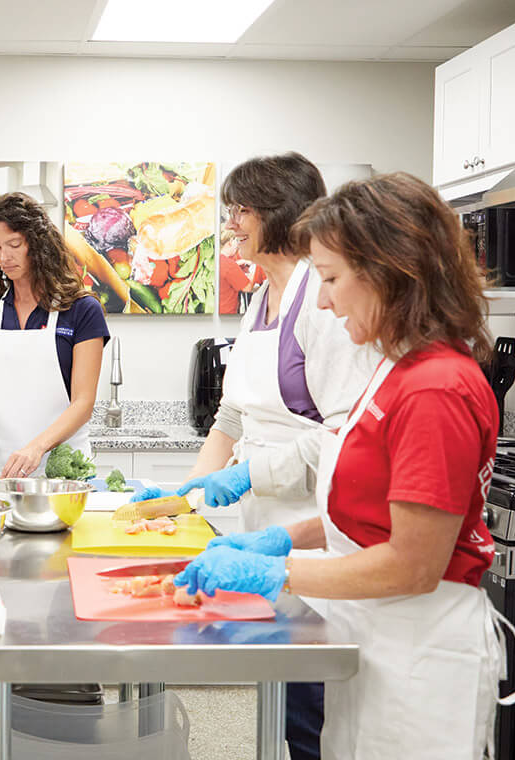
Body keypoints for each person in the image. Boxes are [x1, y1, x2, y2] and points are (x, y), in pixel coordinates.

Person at [174, 172, 515, 759]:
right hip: (375, 637)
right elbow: (368, 510)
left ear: (391, 271)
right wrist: (280, 539)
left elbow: (414, 564)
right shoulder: (395, 371)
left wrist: (279, 573)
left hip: (418, 649)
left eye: (332, 277)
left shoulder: (436, 389)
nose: (322, 299)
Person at [131, 153, 378, 760]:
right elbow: (233, 417)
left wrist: (248, 474)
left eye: (240, 211)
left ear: (278, 214)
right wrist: (185, 494)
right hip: (264, 522)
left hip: (316, 524)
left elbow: (344, 439)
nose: (231, 225)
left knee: (313, 707)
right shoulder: (258, 301)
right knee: (282, 694)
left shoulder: (321, 306)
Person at [0, 192, 110, 478]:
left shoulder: (82, 311)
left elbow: (83, 403)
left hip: (63, 474)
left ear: (37, 243)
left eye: (14, 244)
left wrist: (36, 448)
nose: (4, 257)